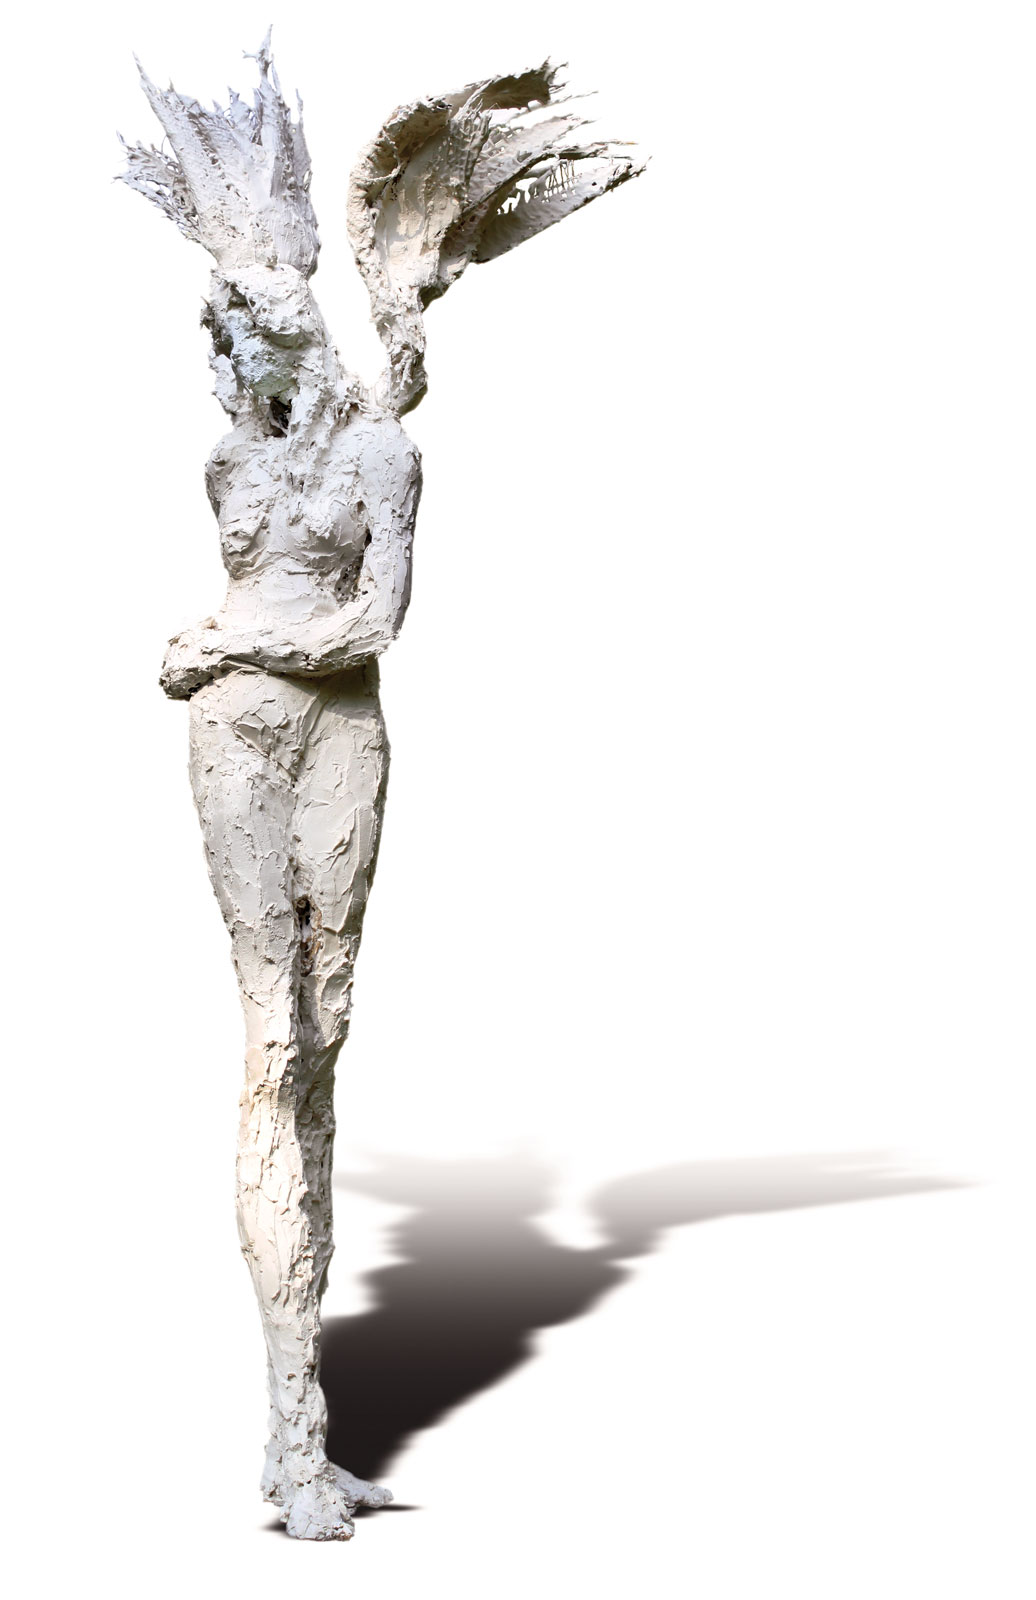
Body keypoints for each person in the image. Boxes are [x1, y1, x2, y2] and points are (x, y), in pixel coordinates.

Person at [121, 35, 642, 1539]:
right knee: (271, 1039)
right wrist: (233, 651)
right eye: (228, 326)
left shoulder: (382, 454)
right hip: (233, 738)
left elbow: (368, 624)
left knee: (328, 1033)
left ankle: (306, 1426)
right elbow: (284, 603)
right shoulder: (229, 462)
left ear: (296, 322)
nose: (235, 353)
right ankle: (290, 1429)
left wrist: (225, 638)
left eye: (253, 323)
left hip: (331, 728)